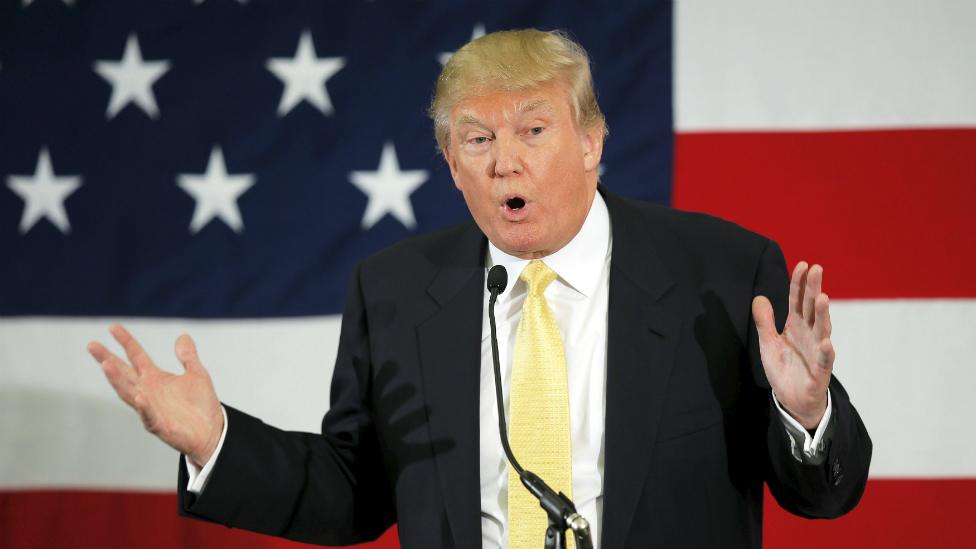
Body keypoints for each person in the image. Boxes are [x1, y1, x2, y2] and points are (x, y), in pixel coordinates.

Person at [88, 29, 871, 549]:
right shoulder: (393, 290)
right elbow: (353, 491)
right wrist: (216, 439)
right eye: (478, 138)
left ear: (592, 141)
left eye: (534, 130)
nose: (506, 161)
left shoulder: (724, 272)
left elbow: (823, 498)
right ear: (452, 163)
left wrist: (806, 414)